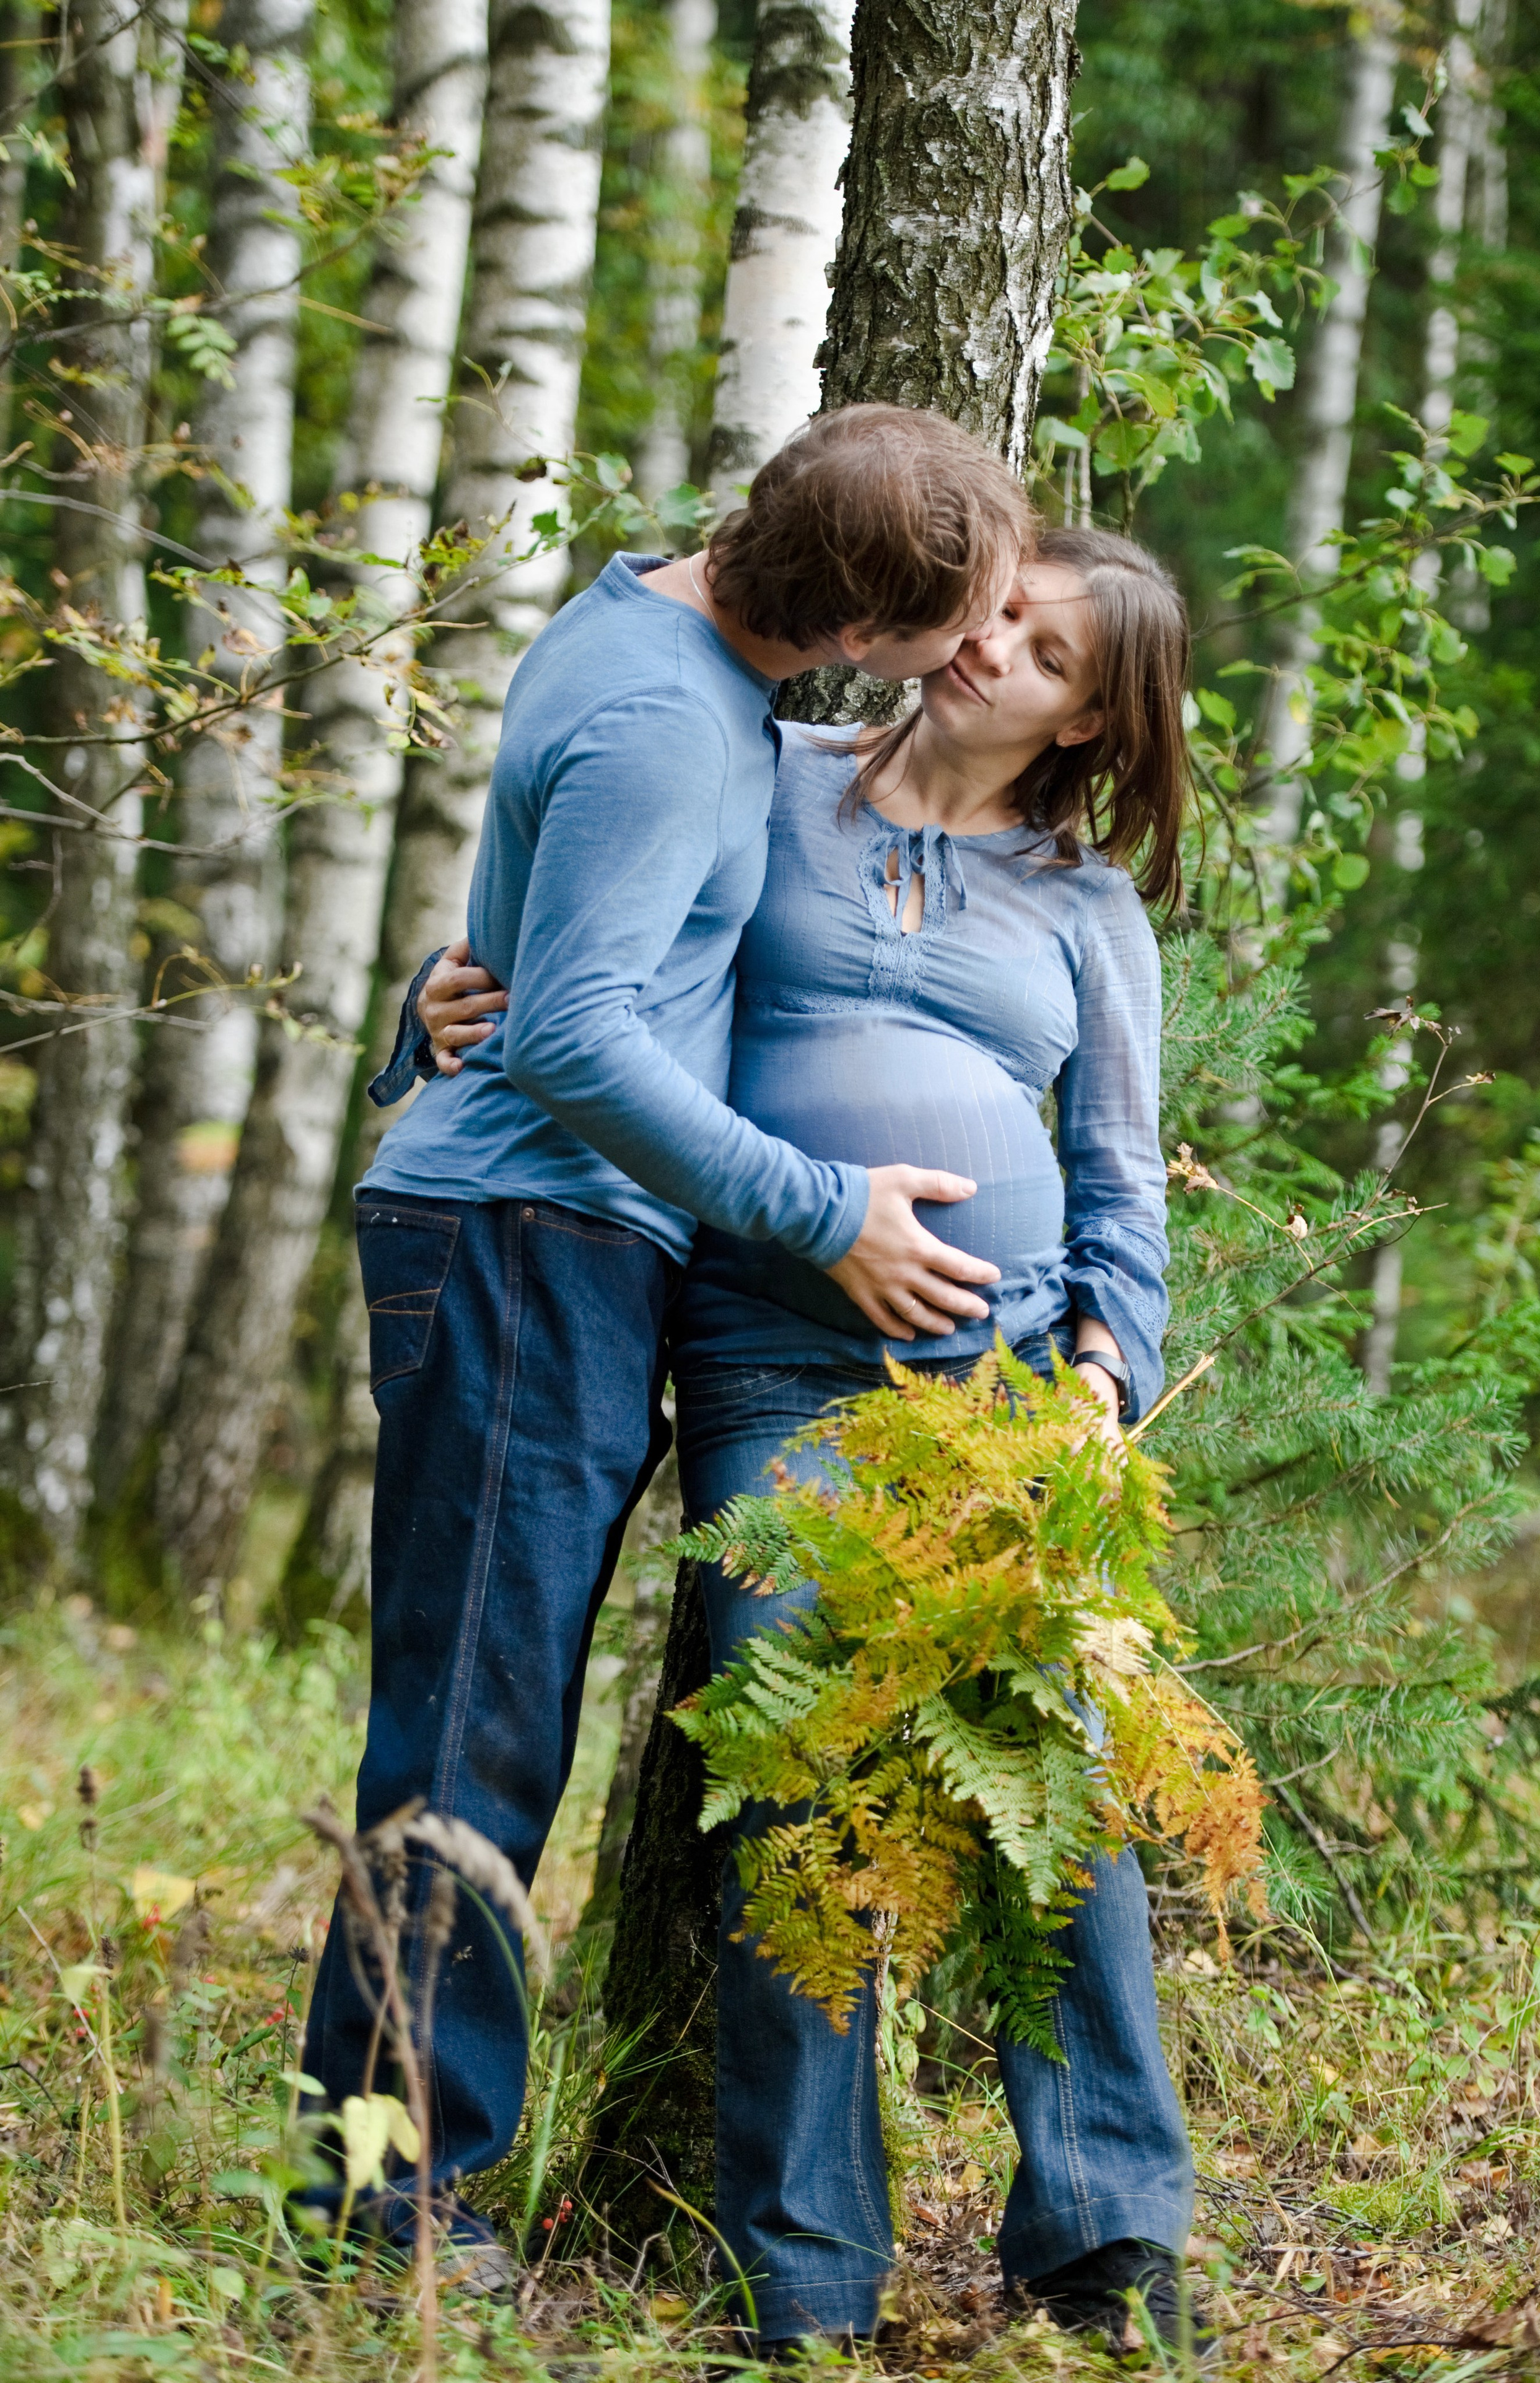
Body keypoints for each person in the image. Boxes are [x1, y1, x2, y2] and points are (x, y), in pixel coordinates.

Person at [417, 527, 1211, 2357]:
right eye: (996, 605)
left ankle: (1104, 2237)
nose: (987, 642)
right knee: (801, 1798)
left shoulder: (1091, 911)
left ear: (1093, 719)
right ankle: (805, 2277)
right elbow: (573, 940)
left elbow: (1117, 1185)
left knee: (1057, 1795)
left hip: (1012, 1397)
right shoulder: (761, 773)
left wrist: (1105, 1374)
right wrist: (439, 1002)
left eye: (1043, 644)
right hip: (779, 1370)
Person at [299, 404, 1033, 2293]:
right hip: (525, 1246)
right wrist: (820, 1209)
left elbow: (543, 957)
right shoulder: (660, 713)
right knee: (472, 1724)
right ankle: (379, 2209)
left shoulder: (660, 629)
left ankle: (391, 2181)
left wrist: (441, 999)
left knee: (488, 1711)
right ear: (852, 628)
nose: (956, 667)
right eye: (938, 633)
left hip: (541, 1238)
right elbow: (570, 1034)